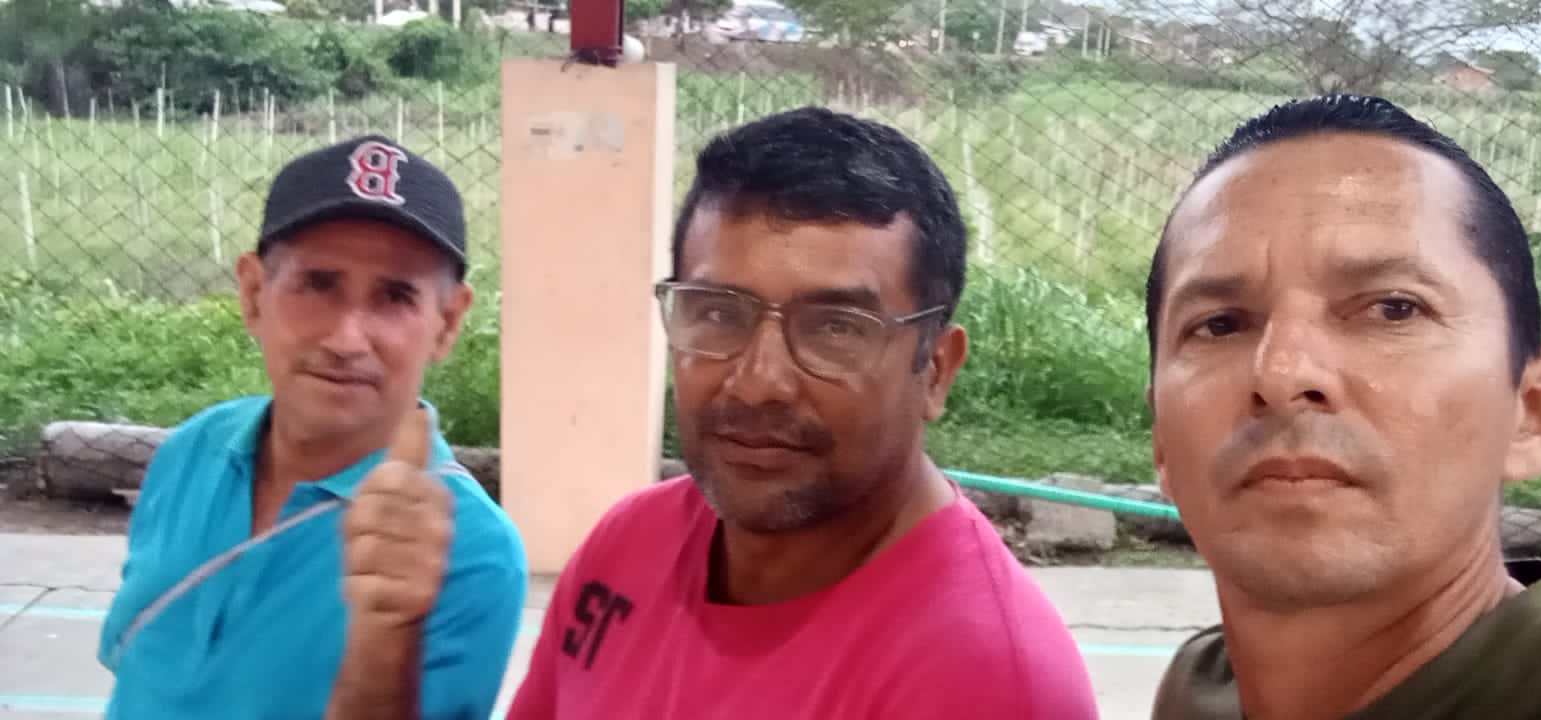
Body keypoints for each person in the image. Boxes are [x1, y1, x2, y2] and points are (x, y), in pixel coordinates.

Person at [502, 107, 1101, 719]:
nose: (759, 382)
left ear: (937, 370)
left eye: (836, 328)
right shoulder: (629, 545)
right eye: (717, 313)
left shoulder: (981, 681)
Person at [1144, 93, 1541, 720]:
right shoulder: (1199, 686)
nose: (1281, 374)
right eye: (1220, 324)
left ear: (1533, 410)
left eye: (1393, 308)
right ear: (1161, 440)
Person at [97, 135, 529, 720]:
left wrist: (387, 636)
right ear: (254, 295)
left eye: (395, 296)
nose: (347, 339)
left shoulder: (471, 552)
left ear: (447, 324)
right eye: (319, 284)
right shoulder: (193, 450)